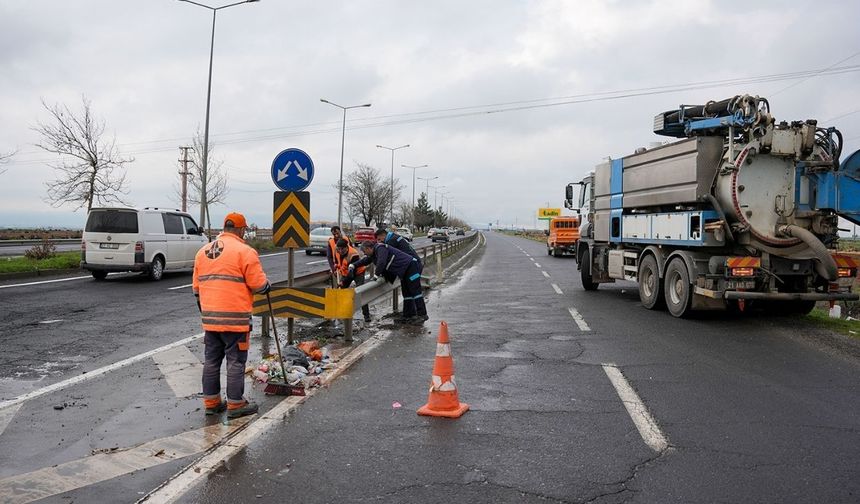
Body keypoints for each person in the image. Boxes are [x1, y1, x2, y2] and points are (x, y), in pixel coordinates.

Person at [192, 212, 269, 419]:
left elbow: (196, 289)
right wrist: (266, 286)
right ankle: (235, 404)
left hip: (210, 319)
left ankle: (212, 403)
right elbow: (258, 284)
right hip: (235, 319)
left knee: (211, 360)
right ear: (241, 230)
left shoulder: (203, 252)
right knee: (235, 361)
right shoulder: (245, 251)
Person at [354, 240, 427, 324]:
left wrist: (376, 275)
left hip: (411, 267)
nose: (364, 253)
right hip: (404, 271)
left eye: (364, 251)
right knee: (406, 294)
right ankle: (408, 315)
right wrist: (353, 265)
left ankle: (422, 315)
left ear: (368, 248)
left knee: (415, 292)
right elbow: (364, 261)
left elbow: (381, 262)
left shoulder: (380, 248)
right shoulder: (374, 254)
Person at [335, 238, 371, 323]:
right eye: (339, 249)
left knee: (361, 292)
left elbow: (352, 274)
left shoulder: (353, 254)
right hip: (345, 272)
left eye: (342, 249)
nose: (341, 251)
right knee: (341, 291)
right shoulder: (337, 251)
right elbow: (337, 261)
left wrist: (343, 282)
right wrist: (336, 266)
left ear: (346, 247)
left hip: (358, 273)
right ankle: (341, 313)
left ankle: (366, 316)